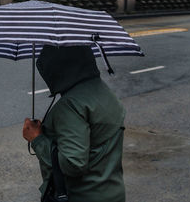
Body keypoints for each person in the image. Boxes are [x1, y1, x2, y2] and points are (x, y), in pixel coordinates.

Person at [23, 45, 126, 202]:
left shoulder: (70, 105)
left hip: (82, 195)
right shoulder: (101, 90)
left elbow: (73, 164)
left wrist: (37, 139)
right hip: (112, 192)